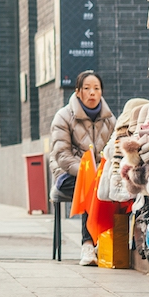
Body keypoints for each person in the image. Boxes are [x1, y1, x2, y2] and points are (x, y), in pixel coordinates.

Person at [49, 70, 115, 266]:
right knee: (91, 186)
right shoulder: (64, 116)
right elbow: (62, 156)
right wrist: (88, 172)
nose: (92, 93)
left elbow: (116, 149)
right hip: (68, 174)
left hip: (99, 174)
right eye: (87, 89)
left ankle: (113, 242)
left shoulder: (110, 120)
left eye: (96, 88)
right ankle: (88, 244)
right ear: (78, 92)